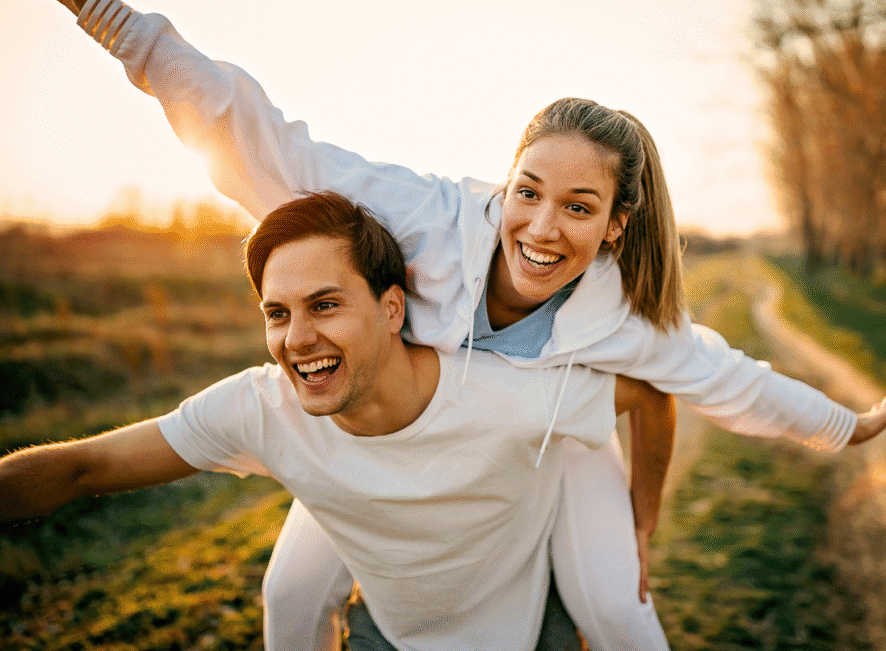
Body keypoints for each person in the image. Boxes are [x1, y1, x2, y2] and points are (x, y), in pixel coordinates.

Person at [9, 0, 886, 650]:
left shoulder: (624, 316)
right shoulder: (422, 218)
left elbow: (729, 380)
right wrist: (98, 8)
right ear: (506, 181)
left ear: (616, 226)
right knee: (287, 595)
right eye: (528, 191)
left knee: (616, 607)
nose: (540, 227)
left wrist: (846, 424)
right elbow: (252, 134)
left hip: (541, 443)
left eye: (578, 207)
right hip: (385, 433)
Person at [0, 191, 673, 651]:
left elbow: (651, 393)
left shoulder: (508, 394)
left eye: (324, 305)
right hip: (387, 634)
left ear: (391, 308)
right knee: (289, 592)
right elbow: (85, 466)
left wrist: (641, 520)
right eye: (277, 313)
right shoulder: (261, 408)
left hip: (522, 632)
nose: (297, 339)